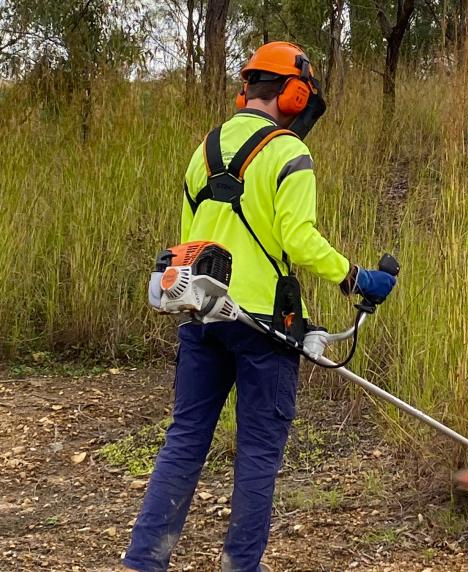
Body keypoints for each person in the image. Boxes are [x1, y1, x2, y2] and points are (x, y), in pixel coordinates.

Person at [122, 41, 396, 572]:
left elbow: (189, 236)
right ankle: (240, 566)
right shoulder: (288, 152)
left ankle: (142, 562)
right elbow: (297, 237)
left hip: (201, 314)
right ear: (295, 95)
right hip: (263, 327)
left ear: (246, 89)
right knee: (257, 453)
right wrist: (355, 277)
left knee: (184, 440)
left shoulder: (202, 151)